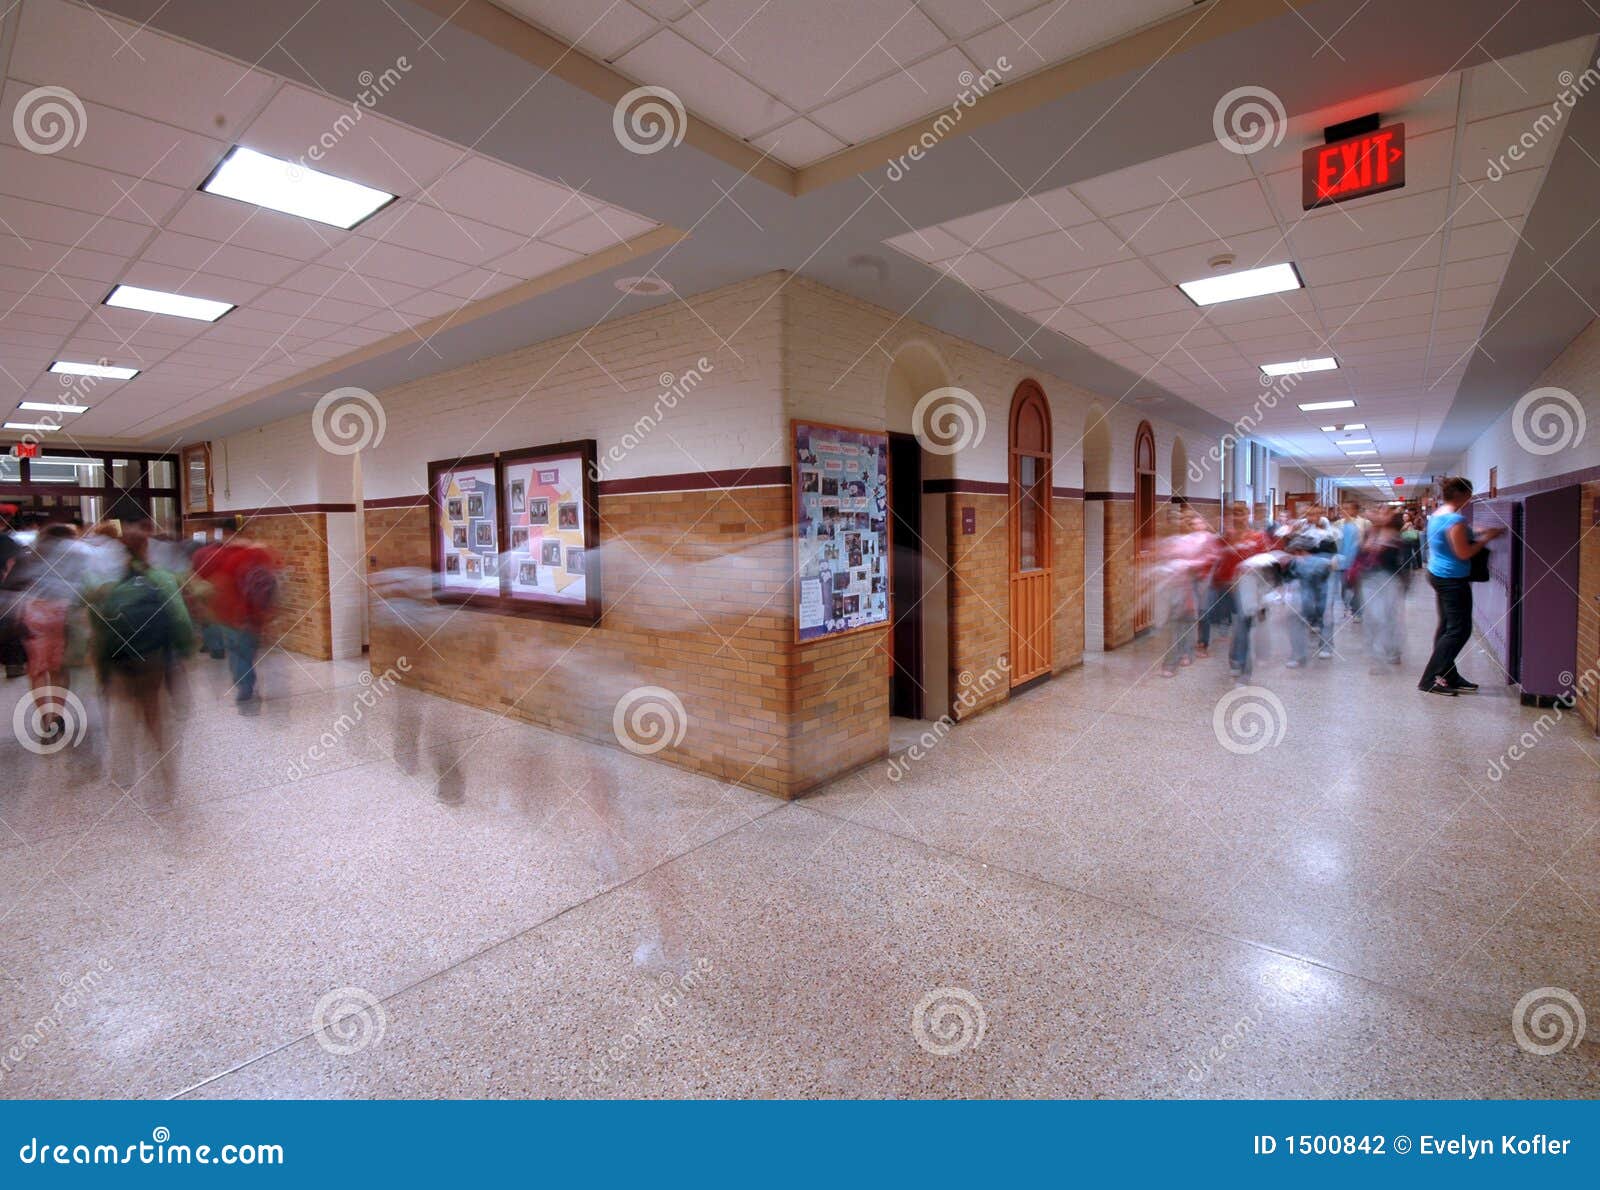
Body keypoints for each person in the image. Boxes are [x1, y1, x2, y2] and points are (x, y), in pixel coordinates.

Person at [88, 522, 195, 789]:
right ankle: (164, 776)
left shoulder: (106, 582)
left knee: (123, 716)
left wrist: (101, 669)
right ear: (146, 548)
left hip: (119, 660)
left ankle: (122, 772)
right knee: (154, 714)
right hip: (153, 657)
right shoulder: (161, 578)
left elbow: (97, 625)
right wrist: (185, 650)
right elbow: (180, 619)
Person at [1419, 477, 1502, 696]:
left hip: (1438, 574)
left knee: (1447, 627)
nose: (1470, 498)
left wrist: (1476, 531)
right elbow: (1463, 553)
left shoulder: (1438, 515)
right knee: (1460, 629)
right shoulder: (1455, 519)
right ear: (1462, 495)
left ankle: (1448, 674)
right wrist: (1486, 539)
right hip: (1452, 579)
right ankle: (1429, 678)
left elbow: (1454, 536)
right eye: (1469, 494)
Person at [192, 518, 280, 706]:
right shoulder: (258, 552)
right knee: (247, 651)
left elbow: (215, 583)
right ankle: (249, 683)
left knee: (236, 652)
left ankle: (245, 687)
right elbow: (274, 578)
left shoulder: (225, 556)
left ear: (223, 532)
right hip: (255, 616)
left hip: (234, 616)